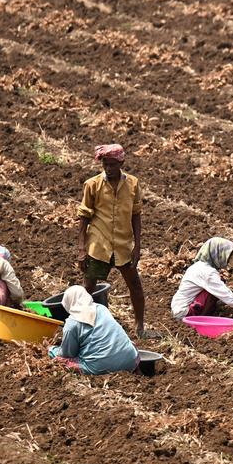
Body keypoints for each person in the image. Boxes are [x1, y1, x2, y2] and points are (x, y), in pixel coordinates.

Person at [76, 144, 155, 337]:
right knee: (89, 287)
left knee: (135, 285)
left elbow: (136, 214)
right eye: (105, 164)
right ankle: (84, 329)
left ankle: (140, 328)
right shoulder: (92, 185)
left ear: (121, 163)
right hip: (98, 243)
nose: (108, 168)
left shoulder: (133, 184)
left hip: (122, 244)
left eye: (112, 165)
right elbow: (84, 216)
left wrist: (138, 245)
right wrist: (81, 248)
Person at [48, 285, 139, 375]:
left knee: (58, 357)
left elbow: (67, 354)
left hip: (101, 367)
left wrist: (52, 349)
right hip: (131, 359)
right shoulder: (101, 308)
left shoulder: (72, 323)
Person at [171, 237, 233, 320]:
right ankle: (201, 319)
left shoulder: (198, 266)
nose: (228, 260)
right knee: (213, 291)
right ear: (217, 254)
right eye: (226, 256)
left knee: (216, 287)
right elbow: (225, 296)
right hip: (185, 312)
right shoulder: (208, 272)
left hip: (178, 308)